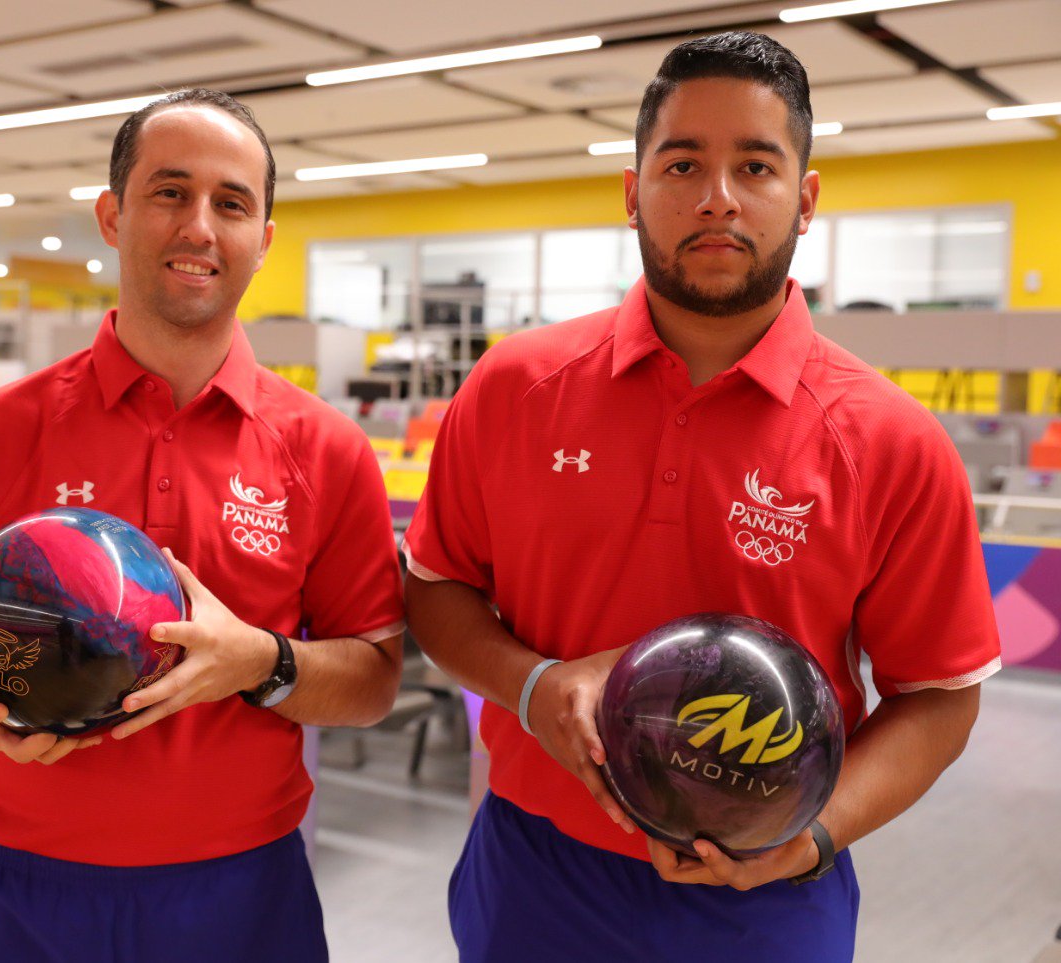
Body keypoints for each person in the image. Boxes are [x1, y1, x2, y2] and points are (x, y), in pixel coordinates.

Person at [403, 31, 999, 963]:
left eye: (755, 165)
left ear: (805, 200)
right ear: (631, 191)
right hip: (535, 870)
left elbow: (938, 699)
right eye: (682, 163)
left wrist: (814, 835)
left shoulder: (892, 442)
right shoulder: (513, 386)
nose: (717, 196)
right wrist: (532, 685)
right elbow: (436, 589)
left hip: (769, 897)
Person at [0, 88, 404, 963]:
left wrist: (263, 662)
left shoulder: (326, 449)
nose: (199, 226)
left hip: (239, 893)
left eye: (231, 203)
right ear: (113, 215)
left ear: (263, 240)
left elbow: (372, 680)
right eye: (170, 192)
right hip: (17, 889)